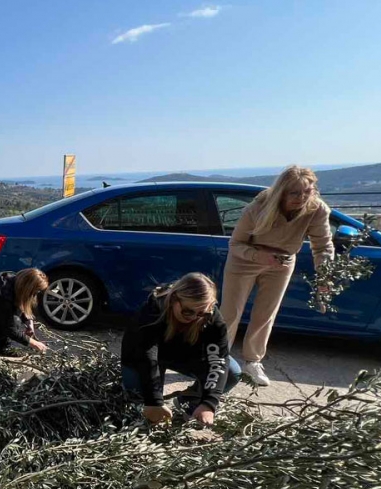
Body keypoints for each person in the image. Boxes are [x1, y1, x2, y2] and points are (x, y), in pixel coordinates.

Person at [220, 165, 334, 386]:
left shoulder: (317, 210)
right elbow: (235, 244)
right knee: (230, 312)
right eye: (294, 193)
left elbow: (323, 247)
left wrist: (324, 277)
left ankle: (252, 361)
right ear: (282, 191)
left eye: (307, 192)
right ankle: (218, 360)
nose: (301, 198)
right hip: (245, 259)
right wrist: (259, 257)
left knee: (266, 314)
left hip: (282, 262)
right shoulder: (258, 207)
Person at [121, 273, 241, 426]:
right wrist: (154, 401)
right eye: (188, 311)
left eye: (202, 313)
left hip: (185, 356)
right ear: (174, 299)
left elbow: (219, 359)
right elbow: (147, 356)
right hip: (141, 357)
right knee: (138, 413)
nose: (194, 317)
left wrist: (209, 403)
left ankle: (189, 402)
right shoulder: (153, 310)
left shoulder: (211, 317)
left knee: (232, 371)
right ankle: (142, 403)